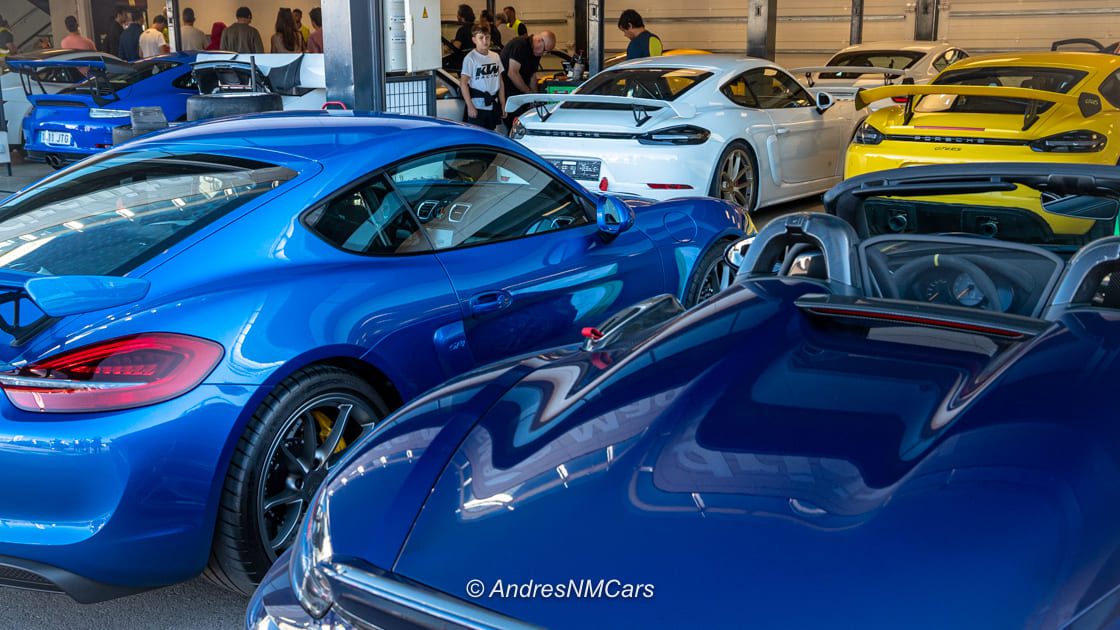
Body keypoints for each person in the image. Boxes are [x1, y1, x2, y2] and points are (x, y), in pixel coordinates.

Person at [500, 30, 555, 127]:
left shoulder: (536, 52)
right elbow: (513, 73)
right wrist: (529, 93)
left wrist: (536, 97)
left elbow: (532, 75)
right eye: (545, 50)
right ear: (538, 41)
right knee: (515, 126)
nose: (544, 54)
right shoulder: (520, 45)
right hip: (508, 93)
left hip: (521, 93)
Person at [459, 24, 505, 130]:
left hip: (493, 104)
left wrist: (502, 104)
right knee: (478, 137)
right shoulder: (470, 58)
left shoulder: (495, 56)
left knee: (492, 135)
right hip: (477, 106)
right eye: (481, 38)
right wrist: (470, 106)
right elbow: (463, 83)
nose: (485, 41)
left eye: (487, 37)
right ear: (474, 40)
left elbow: (500, 82)